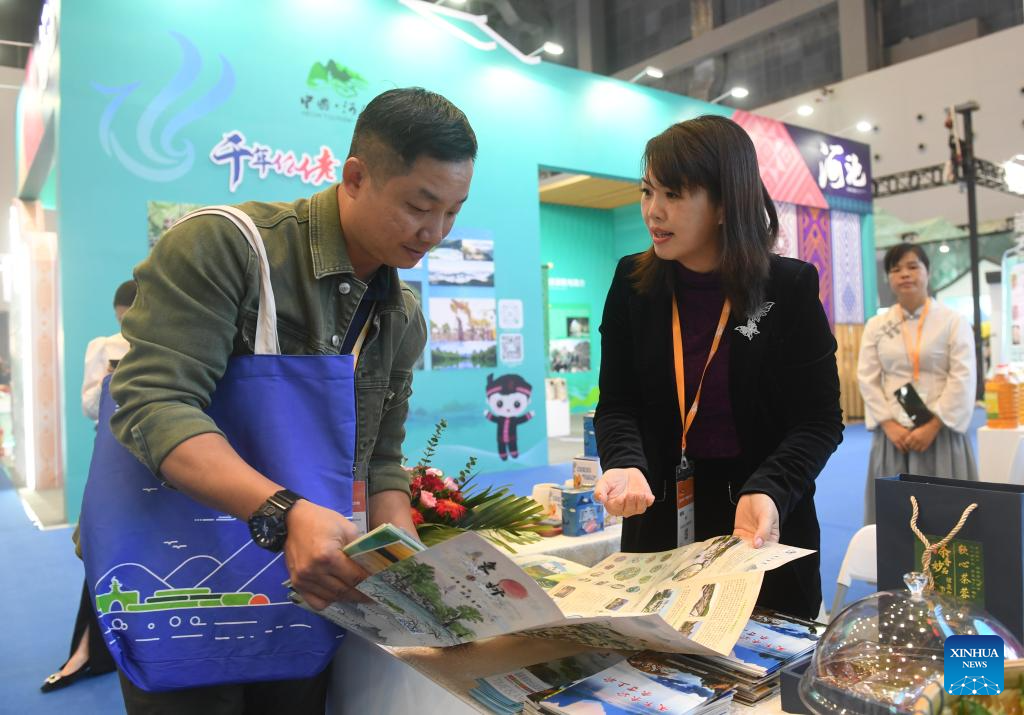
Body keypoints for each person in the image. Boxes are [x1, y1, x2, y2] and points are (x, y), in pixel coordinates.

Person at [106, 87, 476, 712]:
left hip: (307, 589)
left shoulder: (401, 315)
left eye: (453, 213)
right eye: (420, 206)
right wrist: (286, 512)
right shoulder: (227, 247)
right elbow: (155, 405)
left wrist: (405, 559)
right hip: (185, 579)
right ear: (355, 177)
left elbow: (380, 458)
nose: (434, 233)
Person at [592, 115, 844, 620]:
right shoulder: (632, 283)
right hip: (658, 523)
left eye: (673, 195)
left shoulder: (787, 288)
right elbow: (618, 402)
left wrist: (770, 488)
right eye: (647, 191)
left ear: (726, 204)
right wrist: (624, 461)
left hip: (760, 527)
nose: (653, 211)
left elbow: (819, 421)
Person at [40, 281, 136, 692]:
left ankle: (120, 646)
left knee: (146, 553)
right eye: (121, 319)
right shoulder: (104, 346)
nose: (126, 325)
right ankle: (86, 650)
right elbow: (88, 407)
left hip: (161, 460)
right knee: (100, 547)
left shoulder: (174, 341)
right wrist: (111, 381)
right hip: (114, 458)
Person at [858, 243, 978, 524]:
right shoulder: (877, 325)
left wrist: (933, 426)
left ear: (928, 272)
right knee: (895, 518)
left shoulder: (953, 321)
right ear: (889, 278)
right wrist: (889, 424)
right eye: (896, 269)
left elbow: (963, 375)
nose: (905, 274)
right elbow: (867, 377)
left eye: (913, 266)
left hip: (941, 433)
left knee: (948, 515)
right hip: (894, 437)